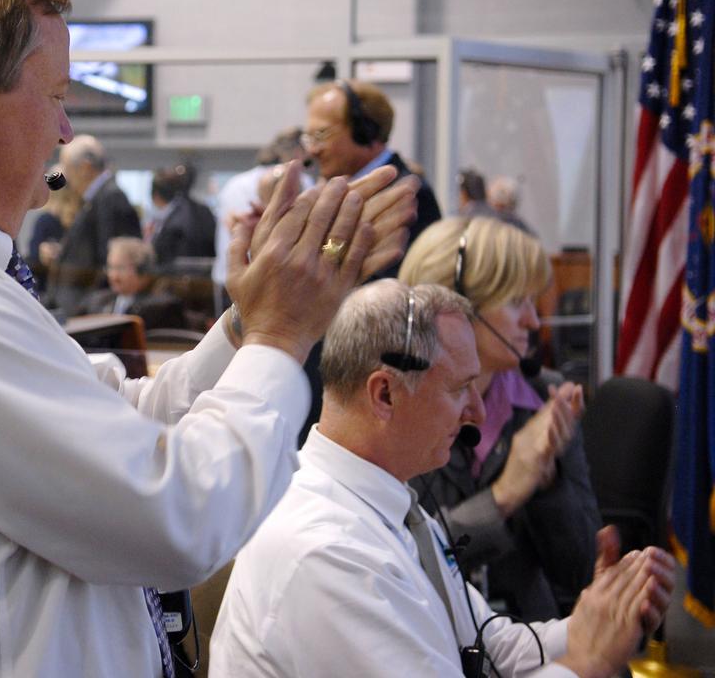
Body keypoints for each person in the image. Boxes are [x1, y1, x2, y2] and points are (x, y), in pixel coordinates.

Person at [0, 0, 417, 677]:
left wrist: (248, 323)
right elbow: (180, 518)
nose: (63, 131)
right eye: (56, 95)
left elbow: (116, 414)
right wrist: (283, 336)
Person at [210, 280, 675, 678]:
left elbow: (485, 641)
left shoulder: (391, 506)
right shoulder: (328, 552)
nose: (475, 411)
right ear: (385, 394)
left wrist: (586, 623)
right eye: (458, 389)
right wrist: (583, 662)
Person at [399, 215, 599, 619]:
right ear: (455, 306)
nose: (533, 320)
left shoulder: (545, 397)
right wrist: (503, 496)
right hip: (426, 636)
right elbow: (398, 563)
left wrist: (549, 483)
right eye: (515, 301)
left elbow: (582, 572)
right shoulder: (397, 404)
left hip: (527, 634)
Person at [303, 78, 441, 280]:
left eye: (321, 134)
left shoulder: (407, 193)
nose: (313, 150)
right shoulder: (334, 189)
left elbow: (389, 280)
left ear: (365, 130)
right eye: (309, 138)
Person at [46, 133, 142, 315]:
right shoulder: (100, 198)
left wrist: (89, 306)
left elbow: (109, 261)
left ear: (85, 168)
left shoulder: (110, 198)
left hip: (85, 309)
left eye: (68, 170)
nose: (67, 179)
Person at [213, 128, 310, 302]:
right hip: (263, 280)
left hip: (230, 278)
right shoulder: (298, 180)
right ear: (298, 153)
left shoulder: (235, 183)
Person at [76, 237, 186, 330]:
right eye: (110, 267)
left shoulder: (162, 308)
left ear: (142, 271)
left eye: (120, 268)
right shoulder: (97, 301)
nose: (113, 276)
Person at [148, 163, 217, 268]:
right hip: (205, 274)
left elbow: (160, 253)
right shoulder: (203, 211)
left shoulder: (173, 217)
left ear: (155, 195)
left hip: (178, 276)